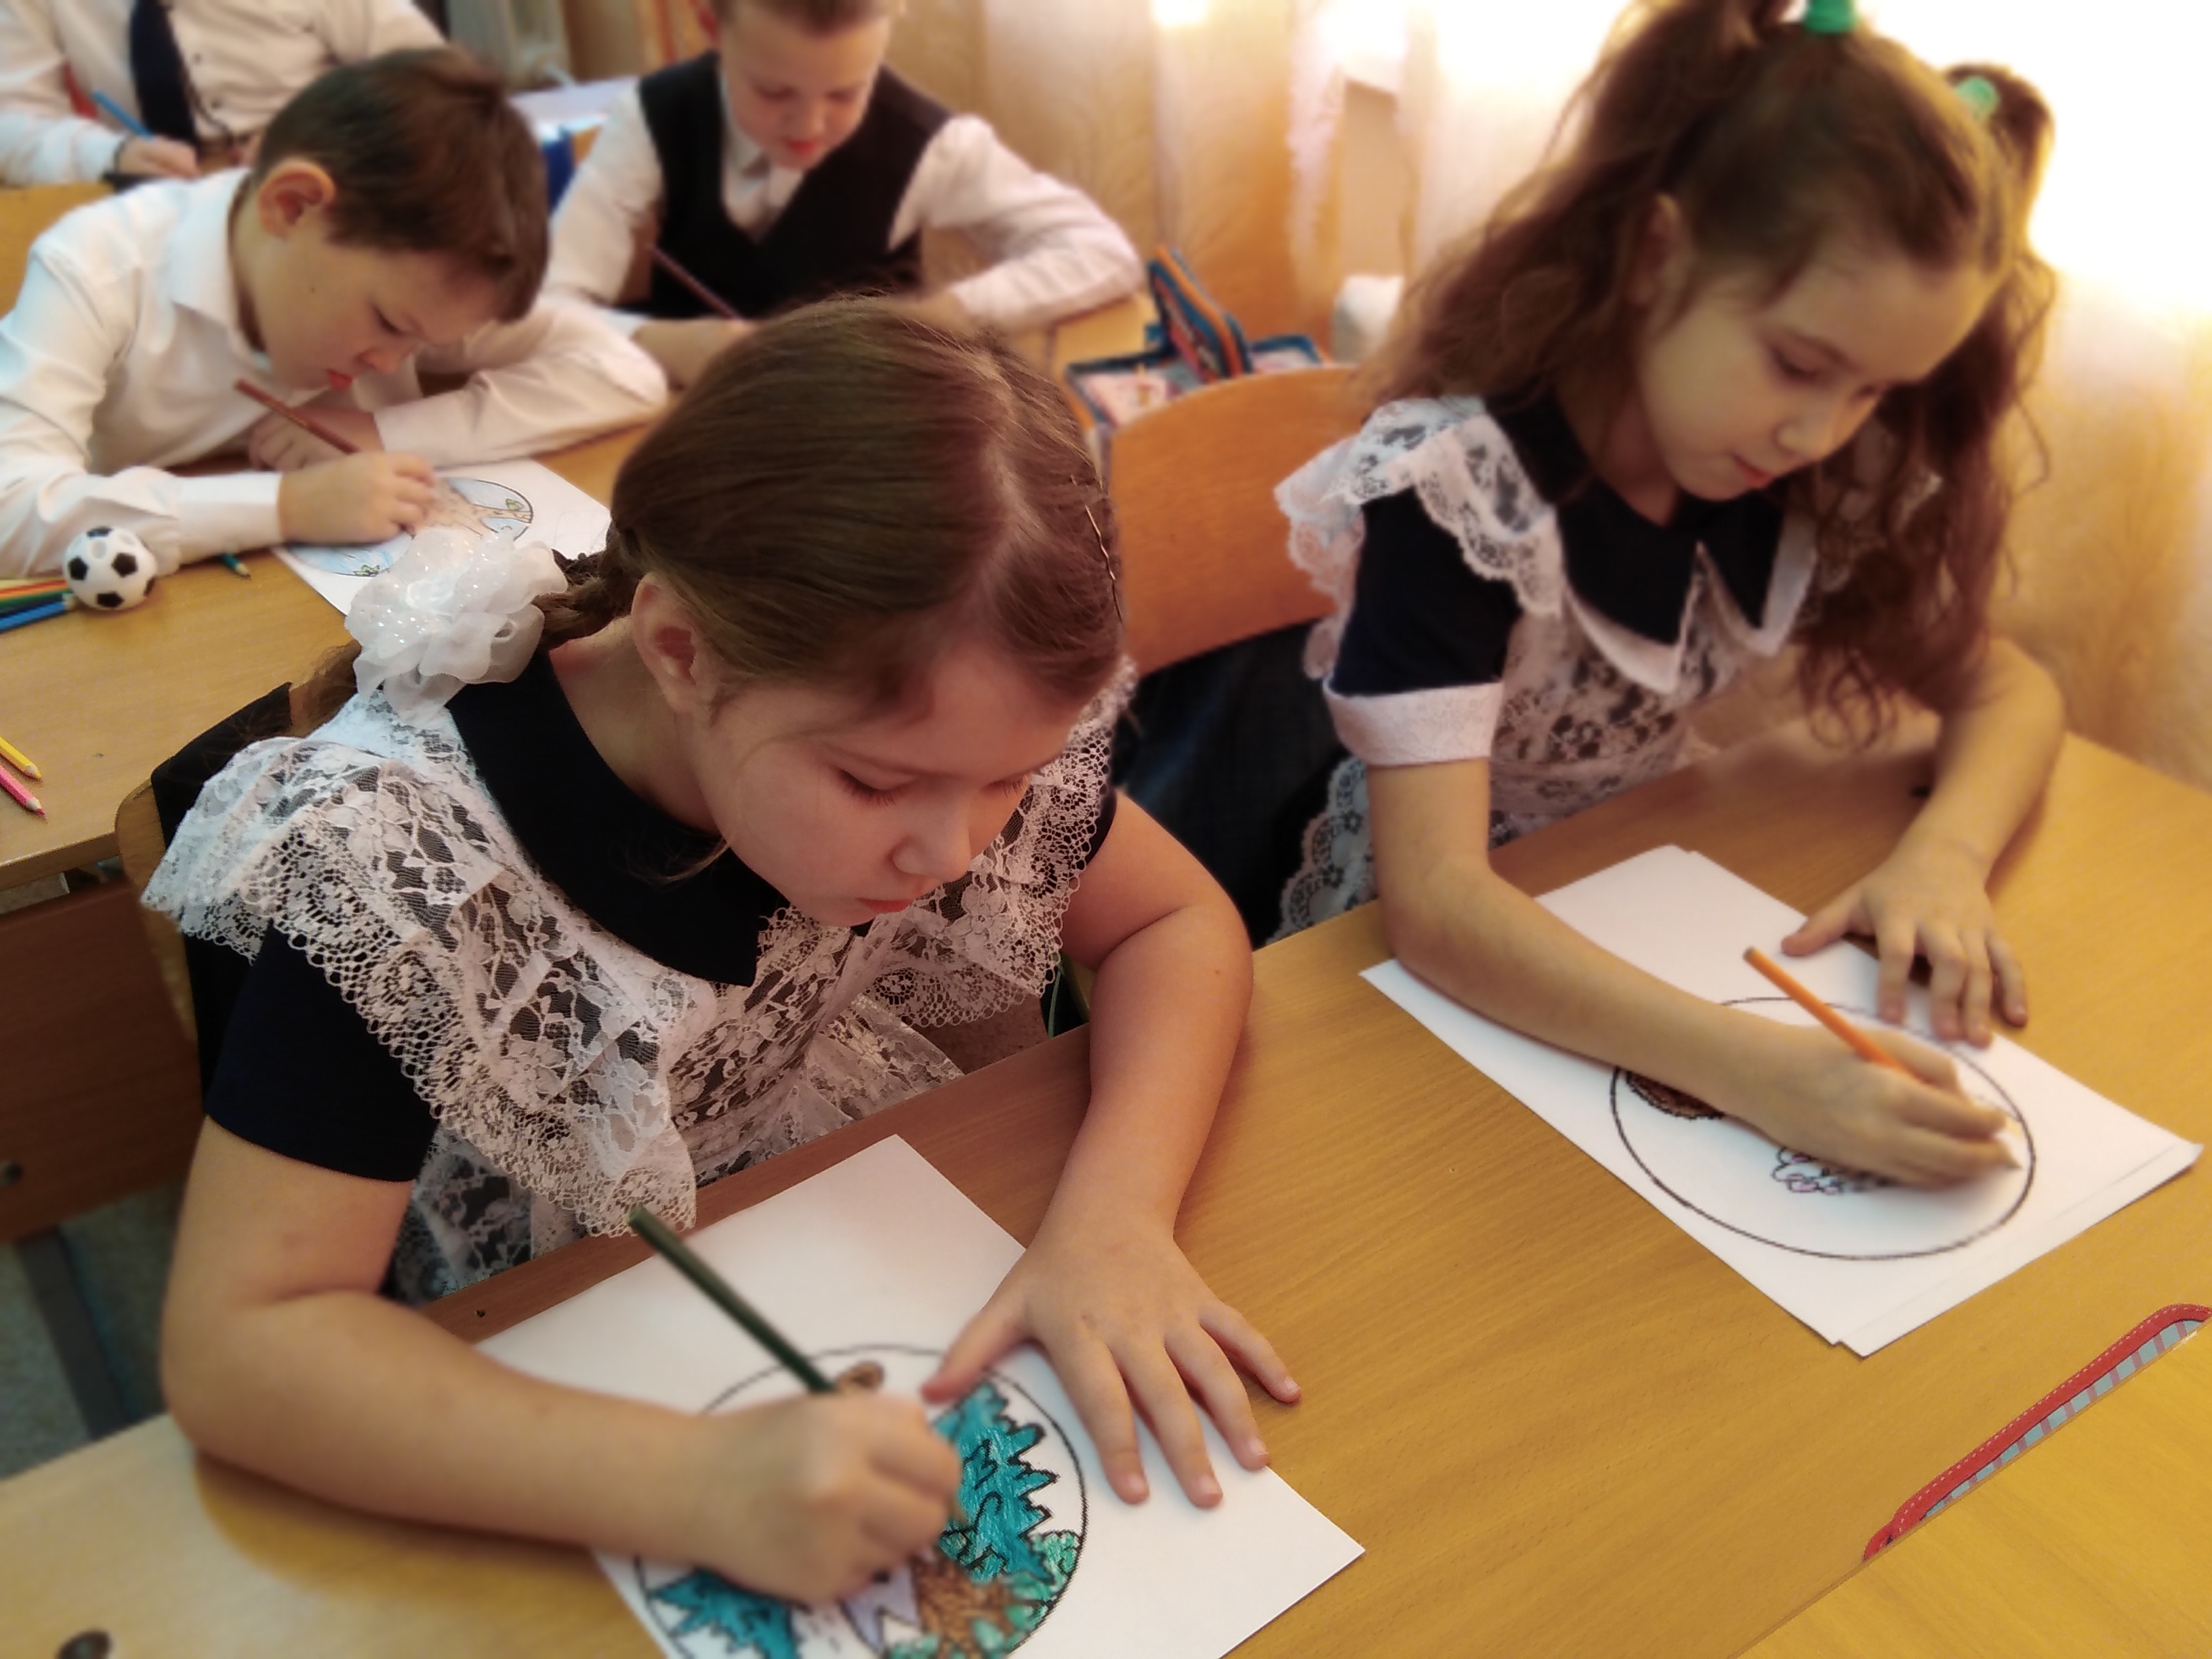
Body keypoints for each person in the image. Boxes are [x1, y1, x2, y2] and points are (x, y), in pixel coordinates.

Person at [145, 300, 1296, 1601]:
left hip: (847, 1241)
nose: (956, 848)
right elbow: (242, 1349)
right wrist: (692, 1486)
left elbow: (1170, 921)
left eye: (1006, 780)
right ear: (679, 652)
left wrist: (1113, 1217)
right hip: (543, 1359)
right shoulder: (404, 863)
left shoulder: (933, 724)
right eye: (874, 784)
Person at [1263, 0, 2064, 1186]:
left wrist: (1943, 856)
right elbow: (1434, 906)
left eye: (1872, 392)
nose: (1817, 430)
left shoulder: (1788, 477)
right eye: (1798, 364)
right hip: (1414, 978)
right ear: (1654, 255)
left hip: (1632, 907)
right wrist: (1761, 1074)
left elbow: (2006, 690)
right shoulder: (1463, 496)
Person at [0, 48, 663, 578]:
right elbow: (12, 509)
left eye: (418, 344)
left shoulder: (424, 280)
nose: (391, 361)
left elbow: (624, 374)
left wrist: (384, 431)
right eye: (391, 325)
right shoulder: (96, 267)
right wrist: (288, 507)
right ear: (293, 206)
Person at [546, 0, 1143, 388]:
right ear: (710, 26)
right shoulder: (650, 120)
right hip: (694, 435)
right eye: (773, 92)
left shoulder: (930, 144)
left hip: (874, 441)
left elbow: (1101, 251)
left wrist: (947, 314)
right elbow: (542, 301)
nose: (808, 128)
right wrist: (654, 341)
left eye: (845, 93)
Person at [0, 0, 442, 186]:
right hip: (154, 196)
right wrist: (107, 156)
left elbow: (431, 76)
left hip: (326, 179)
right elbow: (13, 119)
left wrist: (321, 131)